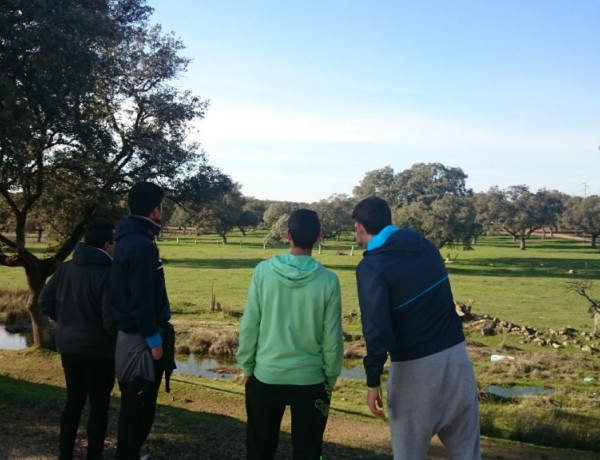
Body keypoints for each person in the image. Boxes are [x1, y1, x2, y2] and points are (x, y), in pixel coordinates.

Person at [352, 196, 481, 460]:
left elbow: (377, 330)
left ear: (359, 227)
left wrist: (373, 380)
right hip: (457, 358)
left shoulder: (372, 267)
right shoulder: (426, 246)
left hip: (415, 369)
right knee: (468, 453)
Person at [236, 209, 344, 460]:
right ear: (319, 237)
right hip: (311, 380)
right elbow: (332, 336)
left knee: (259, 449)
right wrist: (331, 375)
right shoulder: (329, 281)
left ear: (287, 235)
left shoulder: (263, 272)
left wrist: (247, 366)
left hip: (266, 376)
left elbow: (250, 324)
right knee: (308, 450)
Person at [39, 219, 117, 460]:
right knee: (98, 407)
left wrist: (63, 320)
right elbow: (109, 321)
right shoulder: (109, 273)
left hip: (69, 347)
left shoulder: (65, 268)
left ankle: (65, 454)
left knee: (74, 402)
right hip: (100, 352)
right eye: (114, 243)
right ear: (107, 244)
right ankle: (94, 456)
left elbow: (44, 302)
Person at [111, 181, 175, 460]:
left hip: (132, 337)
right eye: (161, 206)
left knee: (135, 406)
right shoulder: (141, 246)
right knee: (139, 407)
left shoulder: (130, 239)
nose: (162, 211)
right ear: (154, 210)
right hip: (140, 340)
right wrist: (155, 342)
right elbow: (141, 300)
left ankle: (130, 454)